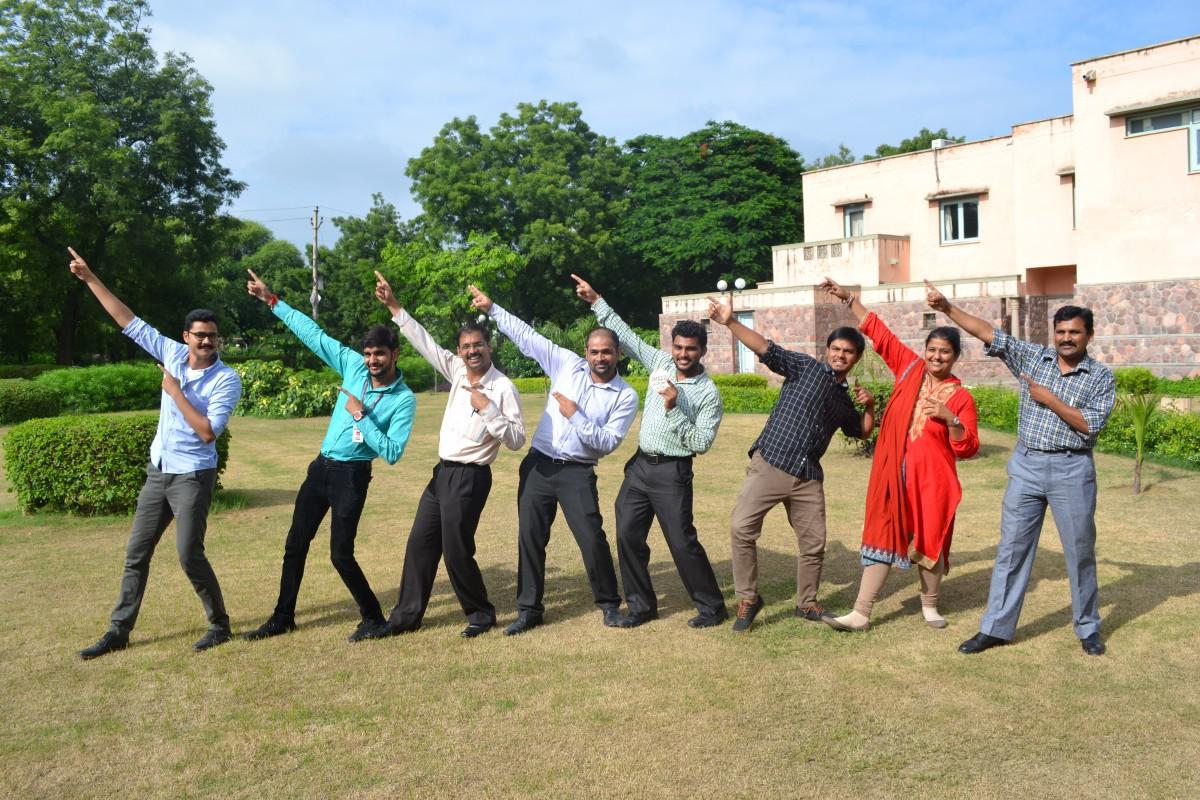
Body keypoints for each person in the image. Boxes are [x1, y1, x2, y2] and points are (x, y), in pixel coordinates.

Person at [69, 247, 243, 659]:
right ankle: (119, 630)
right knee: (136, 555)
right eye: (199, 334)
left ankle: (219, 624)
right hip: (159, 471)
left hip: (193, 476)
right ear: (186, 337)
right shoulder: (169, 353)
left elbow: (206, 433)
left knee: (188, 554)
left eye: (212, 336)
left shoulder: (226, 380)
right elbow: (126, 319)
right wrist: (91, 277)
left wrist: (176, 391)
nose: (205, 341)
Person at [925, 281, 1116, 656]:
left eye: (1074, 332)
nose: (1066, 338)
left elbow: (1089, 424)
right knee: (1012, 549)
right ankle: (996, 627)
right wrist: (948, 308)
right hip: (1027, 466)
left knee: (1079, 551)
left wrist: (1049, 398)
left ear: (1088, 336)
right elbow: (988, 332)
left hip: (1071, 469)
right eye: (1060, 332)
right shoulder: (1034, 358)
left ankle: (1088, 628)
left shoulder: (1100, 377)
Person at [242, 269, 415, 644]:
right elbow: (314, 336)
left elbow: (392, 452)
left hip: (352, 476)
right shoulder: (352, 365)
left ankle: (373, 619)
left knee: (340, 554)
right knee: (295, 544)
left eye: (379, 354)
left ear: (395, 354)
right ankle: (283, 616)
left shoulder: (403, 400)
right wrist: (273, 301)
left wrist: (359, 415)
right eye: (368, 353)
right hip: (320, 468)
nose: (371, 360)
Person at [468, 284, 639, 635]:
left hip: (577, 471)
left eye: (607, 352)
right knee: (530, 537)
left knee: (591, 537)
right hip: (539, 465)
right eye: (594, 352)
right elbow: (528, 337)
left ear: (618, 353)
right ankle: (529, 609)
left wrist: (575, 415)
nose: (600, 358)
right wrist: (493, 309)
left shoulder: (625, 395)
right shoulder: (566, 364)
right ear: (585, 352)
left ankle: (609, 604)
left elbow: (606, 443)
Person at [818, 277, 980, 632]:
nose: (937, 357)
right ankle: (860, 613)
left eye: (945, 352)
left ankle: (930, 606)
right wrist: (849, 299)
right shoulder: (909, 368)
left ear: (955, 357)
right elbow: (881, 333)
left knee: (931, 539)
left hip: (933, 481)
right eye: (932, 350)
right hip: (894, 474)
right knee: (883, 531)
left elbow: (967, 447)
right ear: (924, 351)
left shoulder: (961, 398)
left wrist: (951, 419)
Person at [708, 295, 875, 632]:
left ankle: (807, 603)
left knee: (813, 543)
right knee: (741, 528)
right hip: (771, 462)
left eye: (848, 352)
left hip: (808, 476)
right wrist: (731, 322)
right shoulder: (804, 367)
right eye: (837, 349)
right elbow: (767, 349)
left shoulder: (844, 401)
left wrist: (869, 406)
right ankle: (748, 598)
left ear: (856, 358)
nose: (841, 355)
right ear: (828, 350)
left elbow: (860, 432)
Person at [372, 272, 525, 639]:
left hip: (471, 477)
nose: (472, 351)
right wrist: (394, 306)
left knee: (456, 549)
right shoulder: (456, 371)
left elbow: (518, 439)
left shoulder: (502, 387)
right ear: (460, 351)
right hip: (442, 474)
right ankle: (405, 617)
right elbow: (424, 342)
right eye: (466, 346)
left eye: (478, 345)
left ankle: (480, 614)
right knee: (420, 544)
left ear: (489, 346)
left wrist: (488, 410)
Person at [572, 274, 727, 629]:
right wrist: (597, 300)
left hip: (673, 473)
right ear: (671, 346)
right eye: (678, 347)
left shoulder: (708, 394)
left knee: (681, 542)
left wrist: (673, 408)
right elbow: (624, 334)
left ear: (702, 351)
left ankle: (712, 607)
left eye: (690, 349)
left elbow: (701, 443)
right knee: (627, 534)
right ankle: (641, 606)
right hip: (641, 468)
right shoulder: (660, 363)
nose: (683, 354)